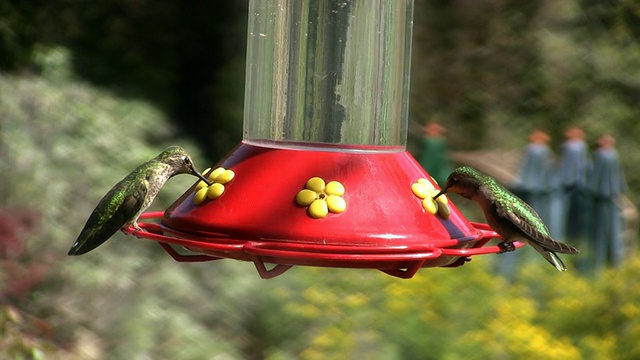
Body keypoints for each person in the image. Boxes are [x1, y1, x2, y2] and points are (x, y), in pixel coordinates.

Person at [589, 134, 627, 269]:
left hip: (601, 196)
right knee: (614, 229)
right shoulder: (614, 154)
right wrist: (621, 188)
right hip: (613, 195)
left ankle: (598, 263)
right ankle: (616, 262)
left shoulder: (600, 155)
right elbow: (619, 175)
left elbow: (596, 175)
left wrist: (590, 190)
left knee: (600, 231)